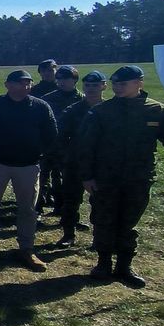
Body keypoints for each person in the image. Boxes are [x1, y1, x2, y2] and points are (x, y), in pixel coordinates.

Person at [78, 65, 164, 287]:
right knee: (104, 220)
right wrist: (87, 176)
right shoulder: (101, 111)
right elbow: (86, 146)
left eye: (123, 83)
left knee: (128, 223)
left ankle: (124, 267)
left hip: (138, 178)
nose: (118, 87)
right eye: (115, 83)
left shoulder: (156, 110)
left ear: (139, 83)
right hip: (106, 178)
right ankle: (103, 264)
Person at [0, 69, 57, 270]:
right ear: (8, 85)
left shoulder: (40, 107)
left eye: (28, 83)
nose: (25, 86)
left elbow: (51, 133)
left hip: (28, 166)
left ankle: (27, 249)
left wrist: (36, 151)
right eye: (20, 83)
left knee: (28, 209)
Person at [54, 70, 107, 247]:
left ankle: (98, 238)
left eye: (95, 85)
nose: (91, 89)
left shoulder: (110, 110)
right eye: (87, 85)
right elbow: (60, 136)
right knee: (71, 200)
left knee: (100, 202)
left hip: (101, 164)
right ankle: (68, 234)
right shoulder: (73, 110)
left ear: (104, 86)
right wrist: (65, 157)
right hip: (75, 163)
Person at [39, 65, 83, 212]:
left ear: (75, 80)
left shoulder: (82, 100)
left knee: (64, 178)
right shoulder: (47, 99)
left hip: (69, 147)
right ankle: (38, 207)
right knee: (42, 177)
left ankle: (60, 207)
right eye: (59, 79)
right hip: (49, 145)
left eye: (66, 79)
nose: (61, 82)